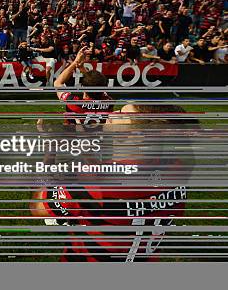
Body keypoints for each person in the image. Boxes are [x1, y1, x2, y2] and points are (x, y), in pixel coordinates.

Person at [30, 104, 195, 262]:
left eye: (122, 113)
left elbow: (37, 207)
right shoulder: (178, 167)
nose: (113, 112)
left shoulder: (87, 184)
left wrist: (49, 150)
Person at [53, 46, 113, 126]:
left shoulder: (73, 102)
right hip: (97, 137)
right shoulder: (109, 103)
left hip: (74, 137)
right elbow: (97, 85)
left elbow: (57, 83)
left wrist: (75, 62)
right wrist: (82, 68)